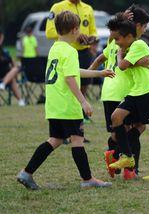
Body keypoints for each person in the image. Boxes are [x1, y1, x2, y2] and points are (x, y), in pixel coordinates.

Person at [17, 11, 114, 190]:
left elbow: (73, 72)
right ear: (75, 29)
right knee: (77, 139)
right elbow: (70, 78)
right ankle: (88, 179)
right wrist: (83, 101)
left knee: (55, 139)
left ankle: (26, 173)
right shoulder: (70, 51)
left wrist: (98, 73)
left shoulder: (55, 48)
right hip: (67, 104)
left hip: (55, 104)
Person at [90, 7, 149, 180]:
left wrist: (87, 73)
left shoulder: (113, 42)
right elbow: (124, 63)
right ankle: (129, 168)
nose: (144, 29)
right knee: (138, 127)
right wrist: (141, 61)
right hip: (124, 91)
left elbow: (100, 58)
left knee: (117, 133)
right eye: (144, 26)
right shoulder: (129, 44)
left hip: (108, 92)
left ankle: (115, 155)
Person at [106, 16, 149, 181]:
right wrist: (136, 62)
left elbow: (122, 66)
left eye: (118, 39)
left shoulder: (138, 44)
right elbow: (129, 65)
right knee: (116, 117)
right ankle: (127, 156)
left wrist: (120, 55)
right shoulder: (131, 47)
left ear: (128, 37)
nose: (117, 43)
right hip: (136, 91)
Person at [46, 0, 98, 140]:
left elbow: (93, 31)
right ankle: (71, 129)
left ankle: (79, 123)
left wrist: (91, 40)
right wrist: (73, 34)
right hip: (66, 52)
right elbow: (49, 32)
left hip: (83, 52)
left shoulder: (88, 8)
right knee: (70, 85)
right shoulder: (58, 7)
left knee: (84, 86)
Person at [0, 28, 25, 106]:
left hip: (6, 74)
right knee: (12, 78)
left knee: (15, 71)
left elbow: (11, 61)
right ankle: (20, 101)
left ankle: (3, 84)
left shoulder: (3, 51)